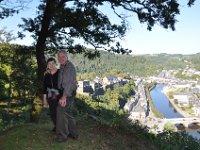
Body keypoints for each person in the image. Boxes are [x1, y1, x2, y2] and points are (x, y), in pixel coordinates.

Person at [55, 50, 78, 143]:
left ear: (67, 57)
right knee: (67, 112)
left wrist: (64, 97)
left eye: (63, 56)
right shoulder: (62, 66)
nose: (61, 59)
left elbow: (69, 84)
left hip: (68, 93)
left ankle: (62, 136)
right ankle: (74, 134)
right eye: (59, 57)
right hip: (64, 92)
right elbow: (61, 80)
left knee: (60, 110)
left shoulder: (69, 67)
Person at [43, 57, 59, 132]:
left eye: (53, 63)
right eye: (49, 63)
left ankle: (61, 128)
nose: (51, 65)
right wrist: (44, 100)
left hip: (60, 96)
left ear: (56, 64)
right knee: (53, 113)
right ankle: (57, 126)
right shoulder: (46, 75)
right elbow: (44, 88)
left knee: (60, 112)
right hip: (50, 96)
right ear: (47, 65)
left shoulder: (60, 72)